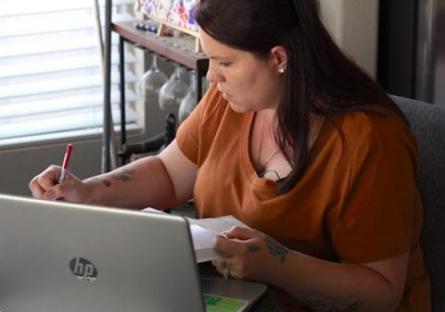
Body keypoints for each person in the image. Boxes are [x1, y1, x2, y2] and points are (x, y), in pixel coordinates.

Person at [30, 0, 431, 310]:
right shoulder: (233, 102)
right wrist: (87, 192)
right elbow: (170, 173)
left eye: (224, 62)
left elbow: (382, 293)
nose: (211, 77)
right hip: (233, 299)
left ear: (278, 58)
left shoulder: (370, 142)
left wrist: (276, 264)